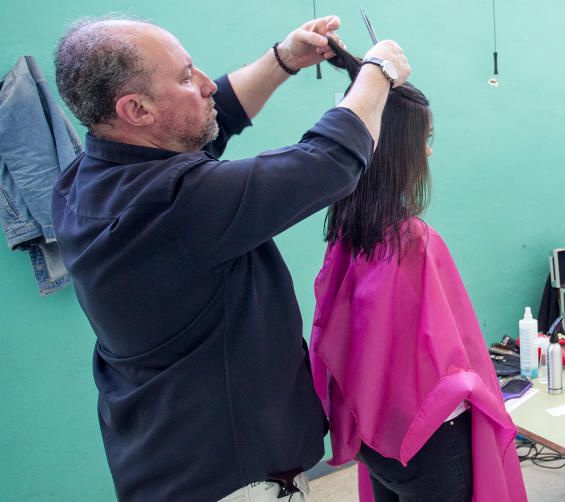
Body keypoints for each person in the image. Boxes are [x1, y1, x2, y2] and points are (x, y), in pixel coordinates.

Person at [50, 14, 410, 501]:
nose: (203, 84)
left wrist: (283, 60)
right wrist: (378, 72)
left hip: (163, 458)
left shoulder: (84, 180)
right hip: (235, 480)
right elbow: (328, 162)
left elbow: (210, 118)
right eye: (184, 78)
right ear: (135, 109)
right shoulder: (174, 203)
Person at [308, 43, 526, 502]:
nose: (428, 150)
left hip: (376, 440)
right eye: (425, 138)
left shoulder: (346, 231)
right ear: (401, 149)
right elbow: (454, 362)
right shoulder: (414, 240)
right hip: (430, 445)